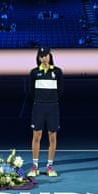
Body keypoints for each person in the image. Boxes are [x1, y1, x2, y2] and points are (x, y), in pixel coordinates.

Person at [27, 47, 64, 177]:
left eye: (45, 55)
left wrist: (51, 100)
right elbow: (30, 91)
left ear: (50, 56)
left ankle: (49, 166)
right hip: (38, 107)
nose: (44, 58)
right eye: (41, 56)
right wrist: (40, 100)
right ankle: (35, 165)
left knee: (52, 136)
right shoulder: (34, 72)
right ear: (38, 58)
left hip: (53, 107)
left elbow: (61, 90)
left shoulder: (58, 72)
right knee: (36, 135)